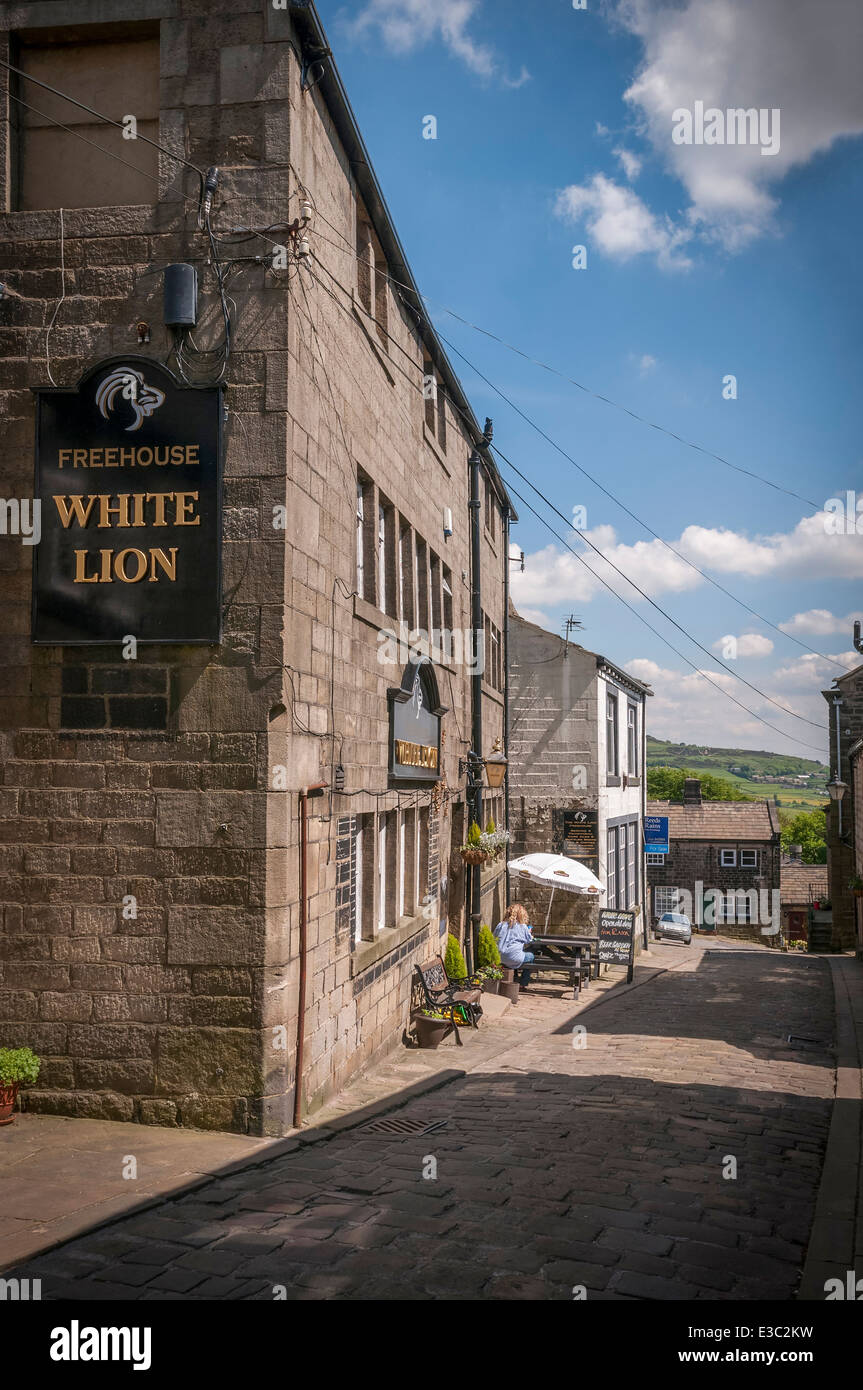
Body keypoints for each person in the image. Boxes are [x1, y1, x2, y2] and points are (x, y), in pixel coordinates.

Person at [493, 903, 538, 988]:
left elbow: (494, 937)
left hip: (500, 957)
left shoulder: (501, 924)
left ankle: (515, 977)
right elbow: (529, 940)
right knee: (531, 955)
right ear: (522, 914)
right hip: (515, 958)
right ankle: (523, 983)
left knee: (517, 952)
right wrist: (529, 933)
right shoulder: (523, 926)